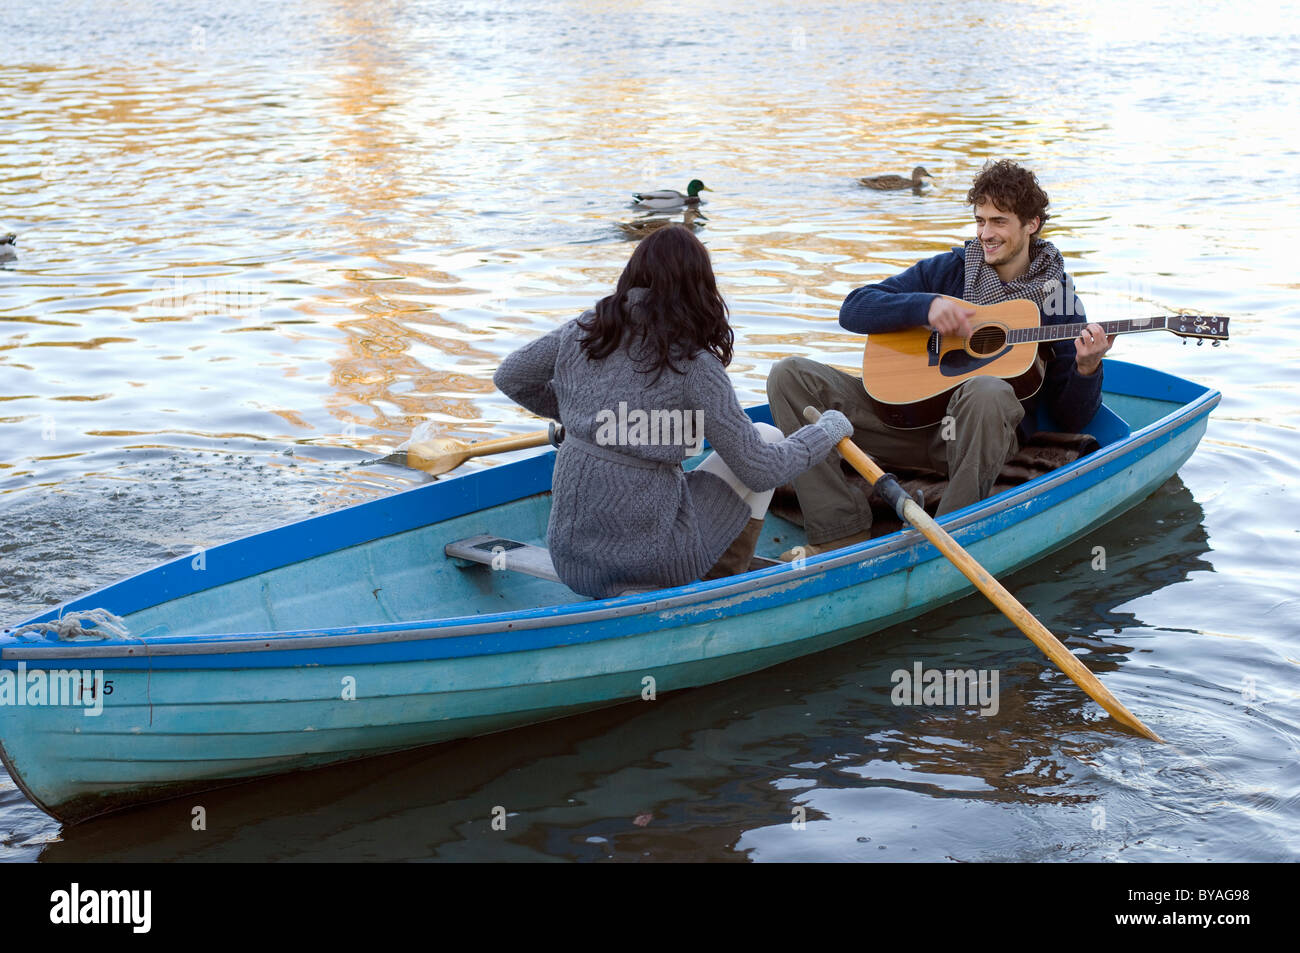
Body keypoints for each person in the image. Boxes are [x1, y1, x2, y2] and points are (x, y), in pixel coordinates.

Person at [766, 159, 1115, 558]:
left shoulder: (1059, 301)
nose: (986, 233)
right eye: (980, 220)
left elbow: (1071, 419)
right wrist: (926, 307)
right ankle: (839, 529)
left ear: (1031, 224)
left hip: (975, 442)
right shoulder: (951, 270)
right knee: (788, 375)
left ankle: (946, 542)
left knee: (987, 389)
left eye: (999, 222)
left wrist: (1088, 369)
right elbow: (854, 308)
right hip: (905, 425)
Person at [494, 225, 853, 599]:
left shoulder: (587, 328)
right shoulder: (694, 365)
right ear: (700, 291)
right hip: (653, 565)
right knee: (768, 438)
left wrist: (585, 421)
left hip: (571, 562)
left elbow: (511, 377)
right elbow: (761, 469)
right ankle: (722, 581)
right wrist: (827, 430)